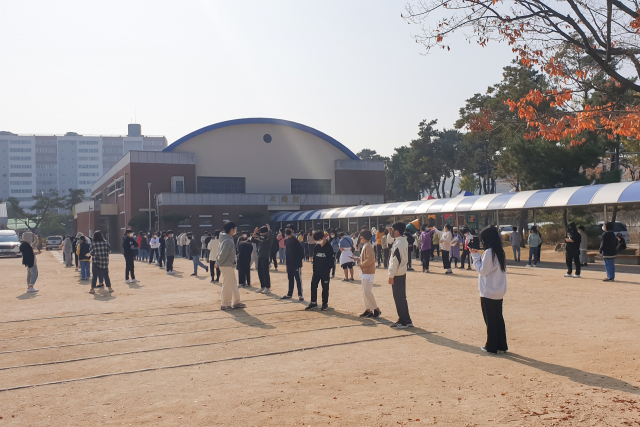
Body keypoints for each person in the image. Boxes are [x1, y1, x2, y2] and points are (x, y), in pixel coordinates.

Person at [470, 225, 508, 354]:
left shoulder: (489, 252)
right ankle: (501, 344)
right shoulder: (499, 251)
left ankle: (491, 346)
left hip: (488, 291)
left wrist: (475, 257)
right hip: (499, 290)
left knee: (490, 320)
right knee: (498, 318)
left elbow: (483, 270)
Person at [388, 221, 412, 328]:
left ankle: (403, 321)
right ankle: (407, 319)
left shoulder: (398, 244)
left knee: (398, 298)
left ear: (397, 231)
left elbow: (394, 261)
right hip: (402, 272)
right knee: (402, 297)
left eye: (393, 230)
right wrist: (390, 233)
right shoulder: (403, 241)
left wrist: (391, 275)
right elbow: (389, 240)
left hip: (397, 273)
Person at [217, 221, 246, 310]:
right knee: (227, 285)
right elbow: (223, 253)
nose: (235, 230)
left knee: (233, 284)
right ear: (231, 229)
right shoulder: (228, 240)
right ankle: (225, 304)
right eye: (235, 229)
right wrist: (218, 262)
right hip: (227, 265)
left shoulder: (224, 238)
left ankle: (236, 302)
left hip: (228, 264)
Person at [306, 230, 334, 311]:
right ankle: (313, 303)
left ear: (323, 238)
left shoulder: (329, 247)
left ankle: (324, 304)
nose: (318, 241)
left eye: (319, 240)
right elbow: (314, 259)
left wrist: (327, 270)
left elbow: (331, 261)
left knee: (325, 288)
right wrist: (314, 268)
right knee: (313, 286)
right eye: (317, 240)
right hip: (316, 271)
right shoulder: (316, 247)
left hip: (325, 272)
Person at [357, 230, 380, 318]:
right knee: (365, 292)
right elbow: (366, 258)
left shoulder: (368, 246)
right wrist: (358, 259)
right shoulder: (366, 246)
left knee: (367, 291)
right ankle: (368, 310)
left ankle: (376, 309)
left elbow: (370, 259)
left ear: (365, 237)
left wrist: (361, 264)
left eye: (361, 237)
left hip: (368, 272)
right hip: (365, 272)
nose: (360, 238)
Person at [282, 228, 304, 300]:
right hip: (289, 263)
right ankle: (289, 293)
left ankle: (300, 295)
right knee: (290, 278)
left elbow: (301, 252)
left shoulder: (295, 240)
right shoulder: (286, 240)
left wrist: (298, 261)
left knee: (298, 279)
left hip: (296, 263)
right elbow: (287, 251)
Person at [251, 225, 273, 294]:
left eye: (262, 233)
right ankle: (262, 286)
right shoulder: (260, 238)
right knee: (260, 272)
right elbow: (252, 240)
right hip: (259, 256)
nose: (260, 234)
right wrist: (254, 233)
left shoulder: (267, 238)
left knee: (265, 272)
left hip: (265, 256)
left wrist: (269, 230)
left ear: (265, 232)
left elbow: (270, 236)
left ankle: (267, 287)